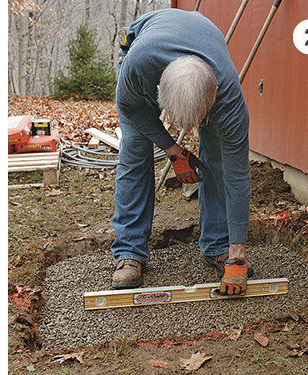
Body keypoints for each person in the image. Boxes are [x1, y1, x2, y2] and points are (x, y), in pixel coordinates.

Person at [110, 8, 251, 295]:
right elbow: (131, 110)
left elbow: (237, 177)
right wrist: (174, 150)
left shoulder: (229, 98)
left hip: (203, 51)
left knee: (219, 159)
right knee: (135, 152)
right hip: (147, 49)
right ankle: (130, 251)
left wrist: (238, 252)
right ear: (159, 92)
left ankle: (220, 245)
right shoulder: (138, 69)